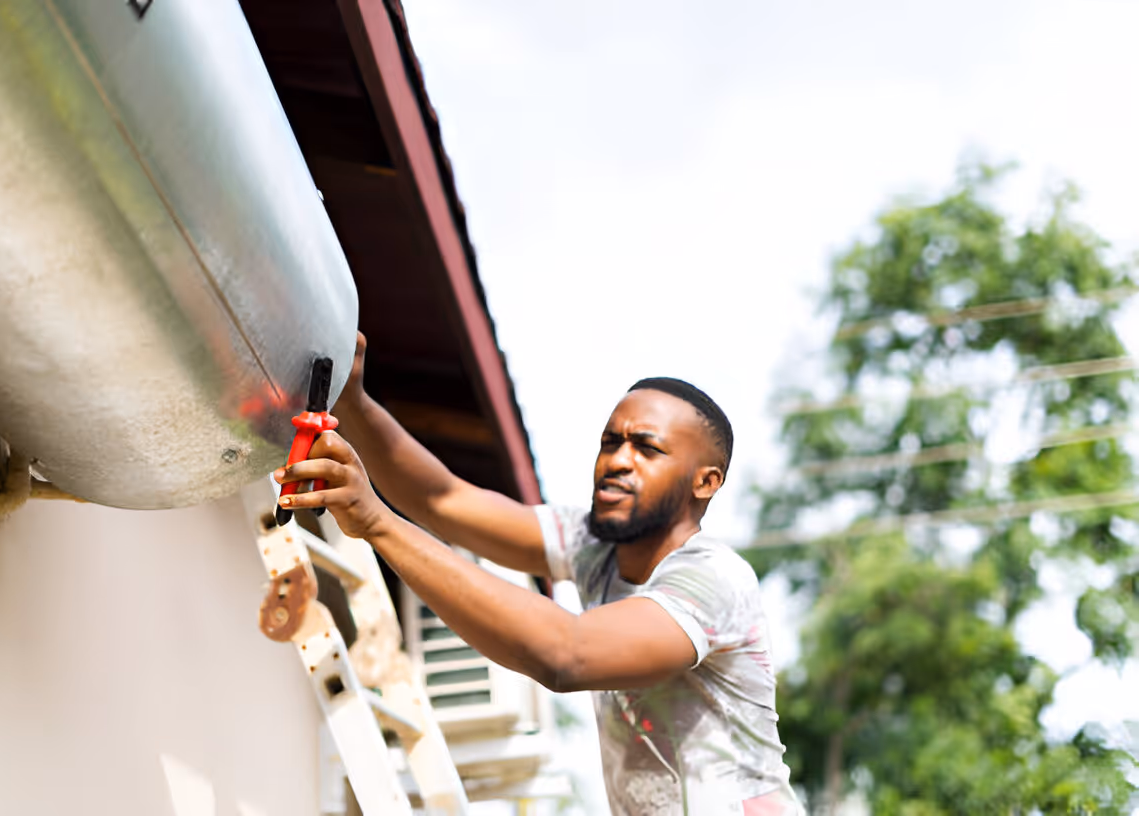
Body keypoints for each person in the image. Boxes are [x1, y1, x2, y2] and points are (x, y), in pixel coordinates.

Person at [274, 334, 803, 816]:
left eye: (647, 448)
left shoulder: (712, 579)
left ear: (705, 482)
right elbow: (443, 499)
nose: (617, 461)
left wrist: (376, 522)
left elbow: (566, 654)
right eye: (610, 441)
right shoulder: (594, 545)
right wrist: (354, 403)